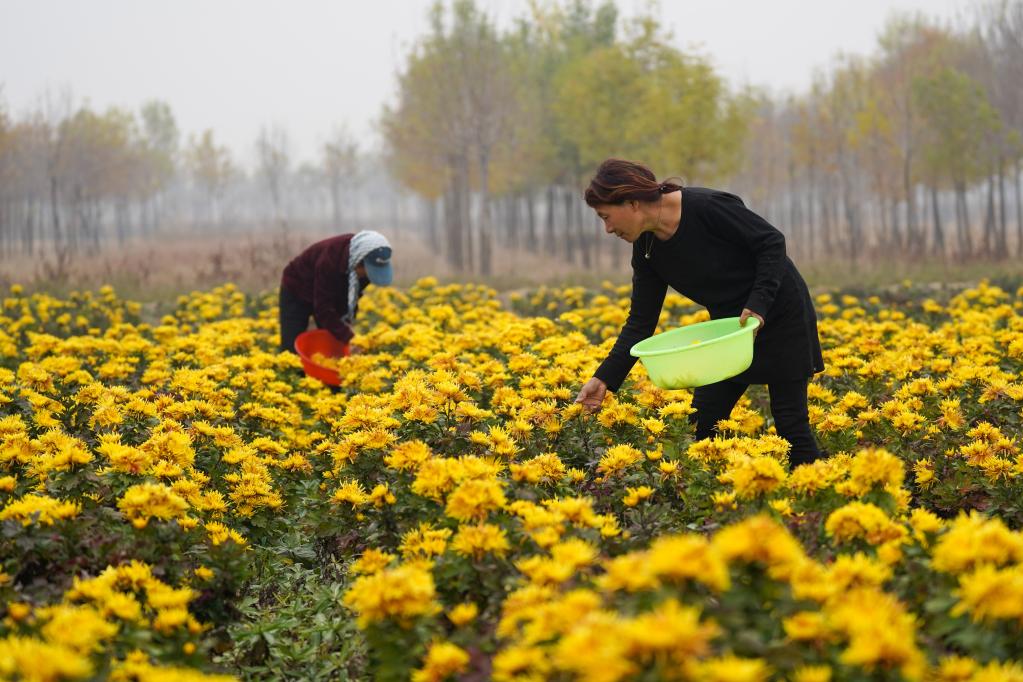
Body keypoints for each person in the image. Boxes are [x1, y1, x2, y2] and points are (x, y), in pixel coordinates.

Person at [574, 158, 826, 466]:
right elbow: (640, 323)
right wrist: (604, 380)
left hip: (780, 313)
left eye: (606, 216)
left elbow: (771, 242)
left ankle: (815, 497)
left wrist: (758, 304)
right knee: (703, 423)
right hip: (729, 332)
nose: (608, 228)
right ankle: (726, 497)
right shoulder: (648, 249)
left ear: (631, 203)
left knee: (791, 425)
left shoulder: (706, 206)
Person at [279, 230, 393, 353]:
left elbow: (351, 297)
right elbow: (323, 309)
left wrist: (346, 325)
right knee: (292, 347)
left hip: (327, 290)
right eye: (368, 272)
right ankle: (293, 370)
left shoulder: (366, 268)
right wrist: (350, 338)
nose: (368, 277)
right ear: (358, 263)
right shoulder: (330, 259)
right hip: (297, 288)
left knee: (334, 345)